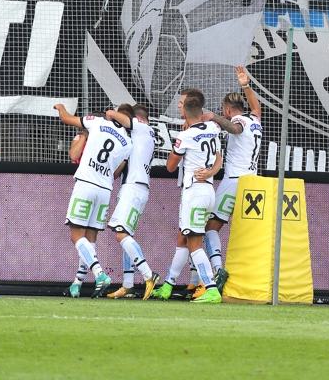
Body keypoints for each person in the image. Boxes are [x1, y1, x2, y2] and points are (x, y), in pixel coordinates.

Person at [54, 102, 132, 298]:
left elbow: (65, 119)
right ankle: (77, 283)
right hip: (105, 189)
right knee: (90, 238)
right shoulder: (128, 142)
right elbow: (116, 172)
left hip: (86, 184)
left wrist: (61, 107)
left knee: (76, 235)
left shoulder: (96, 122)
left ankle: (99, 274)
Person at [151, 93, 222, 303]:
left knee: (194, 244)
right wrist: (210, 172)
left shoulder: (187, 136)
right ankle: (168, 286)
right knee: (183, 238)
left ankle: (211, 288)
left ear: (184, 112)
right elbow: (219, 158)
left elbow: (170, 166)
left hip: (194, 192)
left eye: (181, 106)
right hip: (208, 189)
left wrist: (177, 150)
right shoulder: (212, 128)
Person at [203, 66, 262, 292]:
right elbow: (256, 106)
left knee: (209, 228)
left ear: (228, 110)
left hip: (234, 181)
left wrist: (214, 118)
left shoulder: (241, 121)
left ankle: (218, 270)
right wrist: (245, 85)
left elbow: (235, 128)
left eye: (222, 111)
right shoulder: (255, 118)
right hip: (252, 184)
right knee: (247, 233)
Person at [101, 102, 159, 300]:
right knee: (125, 235)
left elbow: (111, 114)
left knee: (121, 234)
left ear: (139, 120)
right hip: (138, 187)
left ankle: (148, 275)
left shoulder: (142, 128)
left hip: (133, 187)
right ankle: (128, 284)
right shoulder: (145, 136)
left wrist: (111, 115)